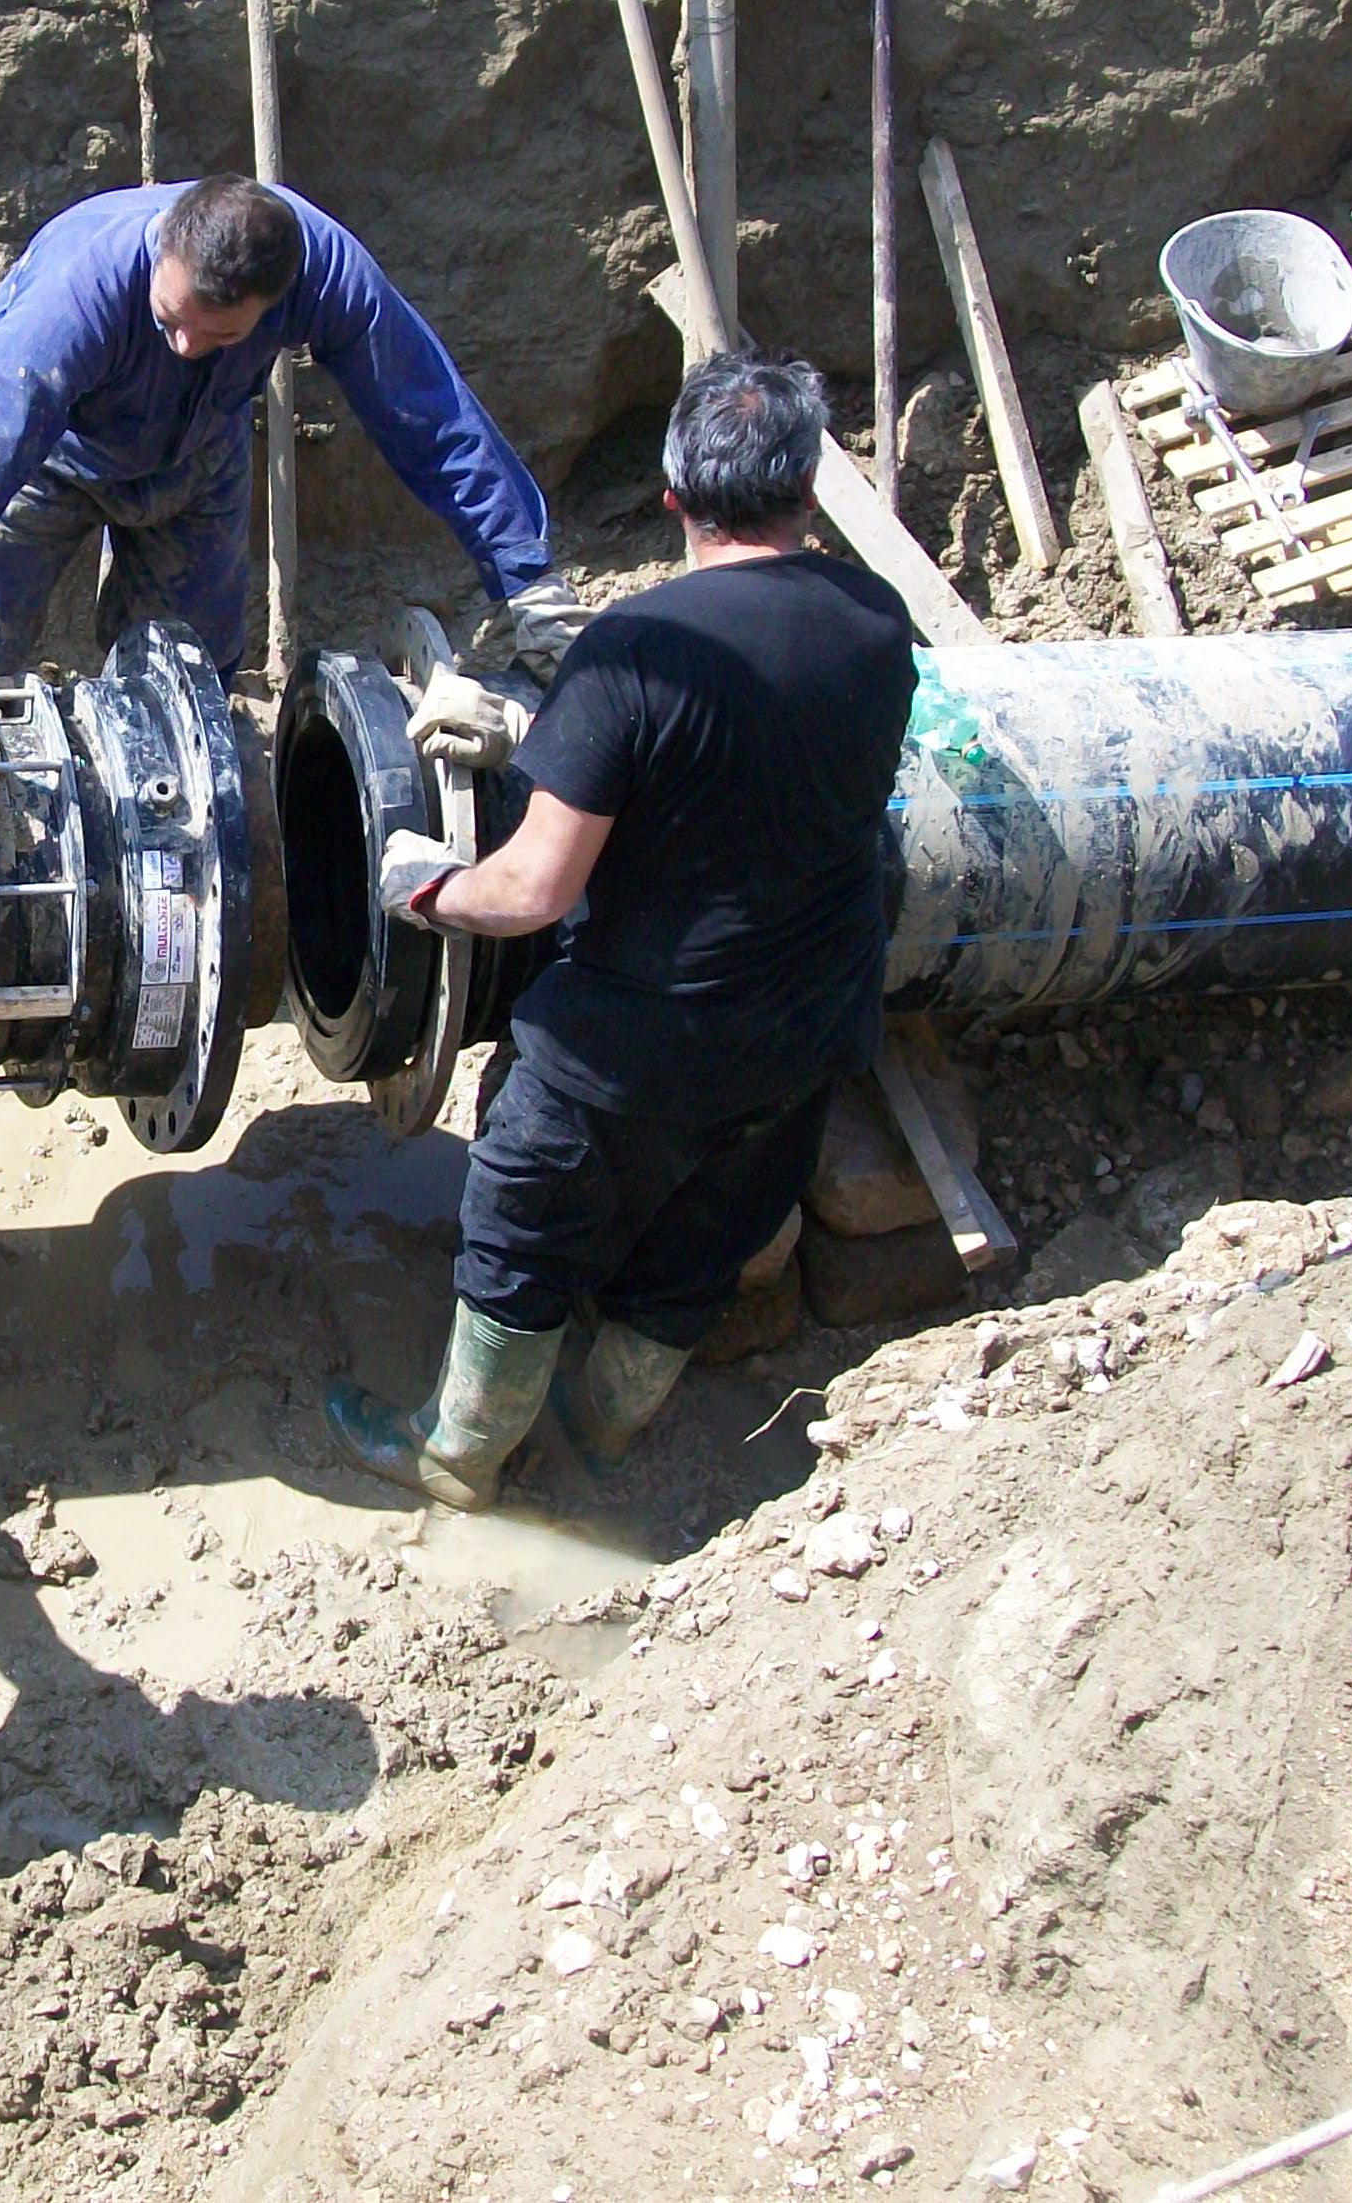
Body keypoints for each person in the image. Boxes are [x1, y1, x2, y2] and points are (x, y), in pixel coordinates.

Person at [327, 353, 917, 1506]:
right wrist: (546, 734)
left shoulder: (635, 652)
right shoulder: (876, 622)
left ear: (671, 499)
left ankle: (455, 1456)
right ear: (804, 493)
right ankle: (602, 1431)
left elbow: (537, 893)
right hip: (807, 1026)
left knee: (519, 1235)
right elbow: (748, 756)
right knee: (702, 1242)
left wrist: (430, 886)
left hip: (636, 1046)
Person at [0, 175, 580, 764]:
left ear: (277, 303)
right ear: (162, 255)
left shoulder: (323, 272)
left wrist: (529, 587)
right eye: (171, 321)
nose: (183, 348)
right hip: (48, 461)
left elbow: (431, 417)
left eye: (215, 336)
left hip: (199, 460)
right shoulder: (77, 301)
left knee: (190, 718)